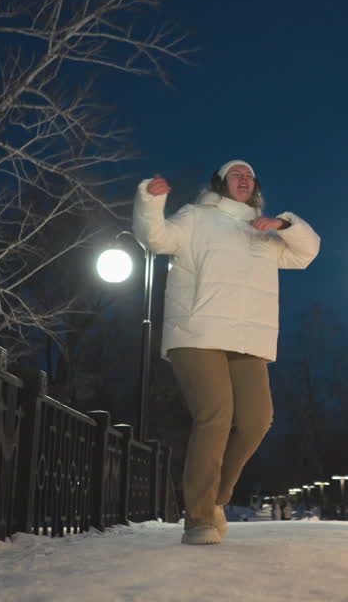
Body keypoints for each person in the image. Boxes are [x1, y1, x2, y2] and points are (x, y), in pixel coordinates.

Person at [133, 159, 320, 545]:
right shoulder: (197, 217)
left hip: (248, 339)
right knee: (216, 415)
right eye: (235, 174)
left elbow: (306, 254)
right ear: (220, 183)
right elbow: (155, 238)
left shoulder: (264, 232)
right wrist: (150, 202)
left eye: (249, 175)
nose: (244, 179)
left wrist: (284, 224)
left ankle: (216, 497)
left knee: (257, 420)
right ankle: (199, 518)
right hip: (197, 332)